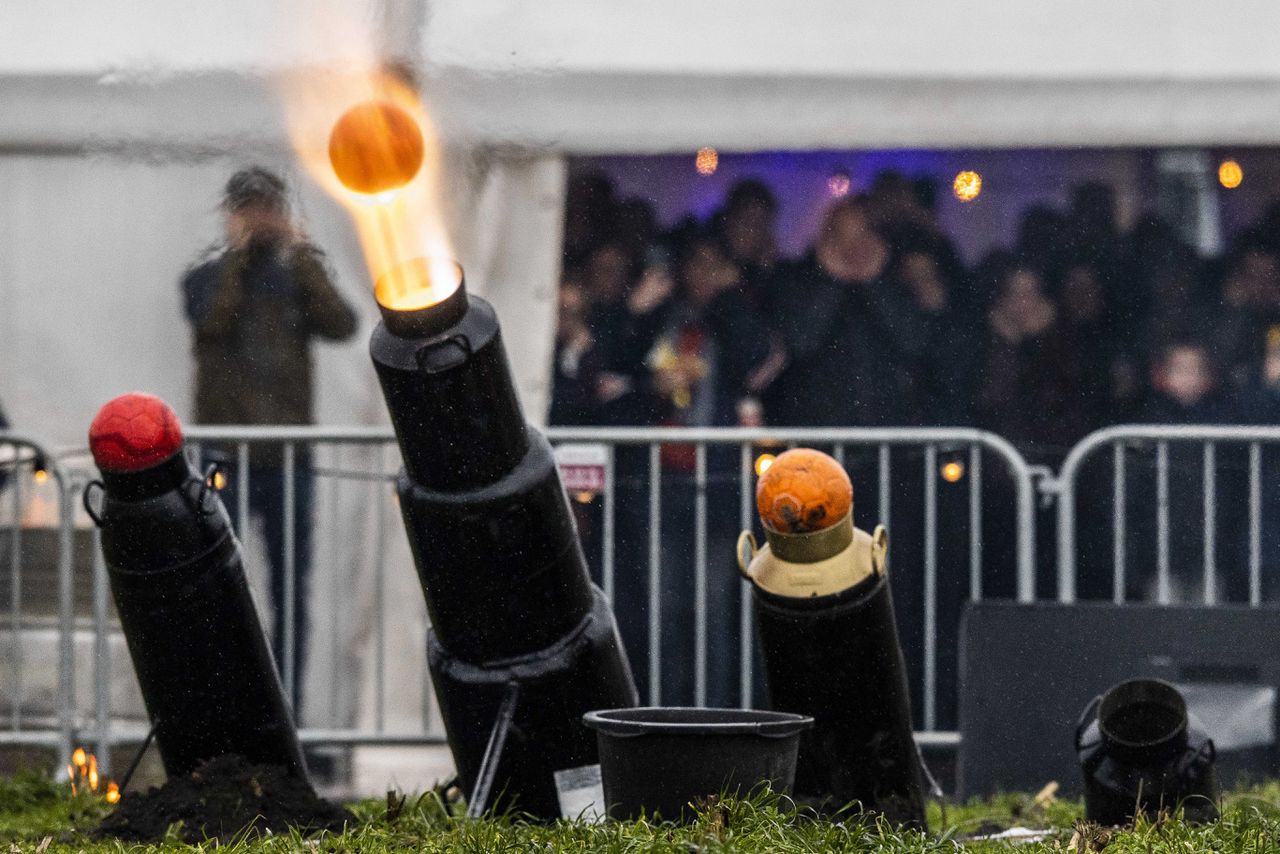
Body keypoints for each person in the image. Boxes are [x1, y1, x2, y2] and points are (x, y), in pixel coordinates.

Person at [180, 167, 358, 709]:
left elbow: (343, 324)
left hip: (287, 459)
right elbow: (211, 320)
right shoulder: (206, 276)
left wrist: (303, 256)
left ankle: (288, 715)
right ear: (232, 215)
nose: (262, 219)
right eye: (250, 209)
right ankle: (224, 709)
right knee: (218, 589)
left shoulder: (295, 277)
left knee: (289, 594)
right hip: (225, 455)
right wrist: (236, 255)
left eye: (269, 209)